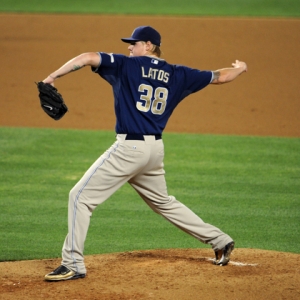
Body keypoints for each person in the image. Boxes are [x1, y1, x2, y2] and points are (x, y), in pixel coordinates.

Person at [43, 26, 247, 281]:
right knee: (163, 202)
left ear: (149, 45)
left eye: (134, 43)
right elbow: (220, 76)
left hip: (129, 149)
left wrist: (52, 76)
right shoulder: (178, 73)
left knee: (79, 197)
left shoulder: (125, 65)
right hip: (154, 150)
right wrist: (241, 67)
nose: (129, 47)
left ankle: (72, 263)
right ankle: (220, 239)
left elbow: (86, 57)